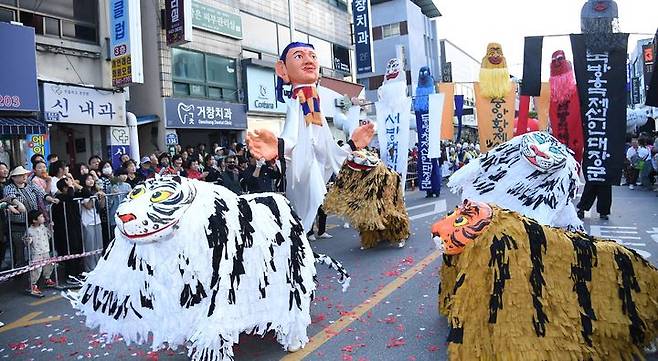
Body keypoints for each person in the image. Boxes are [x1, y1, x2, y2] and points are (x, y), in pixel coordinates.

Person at [246, 41, 375, 231]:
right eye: (299, 56)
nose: (309, 61)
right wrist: (279, 148)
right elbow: (294, 136)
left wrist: (351, 145)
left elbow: (324, 145)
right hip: (302, 167)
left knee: (311, 206)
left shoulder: (315, 101)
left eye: (313, 56)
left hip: (313, 165)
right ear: (282, 70)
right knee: (302, 211)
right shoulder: (296, 101)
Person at [52, 177, 84, 284]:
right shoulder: (60, 197)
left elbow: (86, 193)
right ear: (64, 188)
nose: (71, 187)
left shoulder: (72, 195)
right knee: (70, 251)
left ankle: (78, 273)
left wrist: (75, 184)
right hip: (65, 229)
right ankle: (70, 275)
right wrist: (70, 186)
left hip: (75, 226)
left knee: (78, 249)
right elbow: (69, 198)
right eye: (68, 186)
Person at [24, 210, 55, 295]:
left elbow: (49, 235)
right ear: (34, 220)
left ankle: (47, 278)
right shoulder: (29, 230)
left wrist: (50, 228)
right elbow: (26, 241)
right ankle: (32, 284)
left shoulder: (43, 227)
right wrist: (28, 241)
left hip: (45, 250)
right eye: (41, 217)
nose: (43, 218)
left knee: (48, 266)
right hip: (36, 252)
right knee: (36, 269)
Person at [79, 174, 104, 271]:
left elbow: (101, 206)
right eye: (88, 179)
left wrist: (102, 197)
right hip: (87, 222)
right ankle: (90, 268)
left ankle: (99, 266)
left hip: (97, 220)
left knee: (99, 245)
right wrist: (93, 197)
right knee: (90, 246)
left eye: (91, 179)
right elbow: (88, 206)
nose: (91, 181)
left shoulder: (95, 191)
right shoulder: (82, 192)